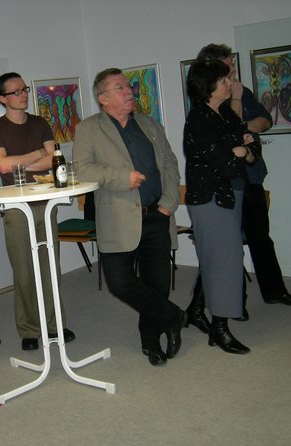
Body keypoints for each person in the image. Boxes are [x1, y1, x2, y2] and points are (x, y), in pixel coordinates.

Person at [186, 44, 291, 328]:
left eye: (232, 66)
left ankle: (273, 291)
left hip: (248, 178)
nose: (232, 72)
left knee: (259, 237)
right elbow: (232, 138)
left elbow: (263, 121)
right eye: (227, 67)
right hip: (222, 186)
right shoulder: (209, 106)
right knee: (224, 250)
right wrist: (240, 119)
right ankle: (223, 306)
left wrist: (246, 136)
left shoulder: (239, 92)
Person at [73, 68, 186, 366]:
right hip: (116, 220)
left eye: (128, 86)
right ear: (103, 99)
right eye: (120, 88)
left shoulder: (150, 124)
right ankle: (174, 316)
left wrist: (169, 203)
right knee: (120, 283)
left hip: (157, 215)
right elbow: (82, 170)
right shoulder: (88, 129)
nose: (129, 91)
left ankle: (151, 341)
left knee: (156, 285)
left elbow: (170, 164)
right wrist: (122, 177)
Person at [0, 72, 75, 351]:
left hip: (46, 203)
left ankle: (55, 324)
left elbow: (56, 159)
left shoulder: (39, 123)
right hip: (16, 208)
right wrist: (37, 154)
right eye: (16, 92)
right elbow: (3, 166)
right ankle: (29, 329)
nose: (23, 94)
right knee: (24, 271)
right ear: (2, 99)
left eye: (24, 89)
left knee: (50, 268)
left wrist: (20, 164)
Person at [184, 60, 258, 354]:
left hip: (232, 193)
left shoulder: (226, 113)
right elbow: (226, 164)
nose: (230, 83)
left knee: (218, 258)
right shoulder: (199, 119)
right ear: (209, 86)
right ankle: (219, 328)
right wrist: (239, 150)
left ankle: (195, 311)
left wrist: (243, 151)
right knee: (226, 260)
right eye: (224, 79)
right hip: (210, 198)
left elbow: (252, 150)